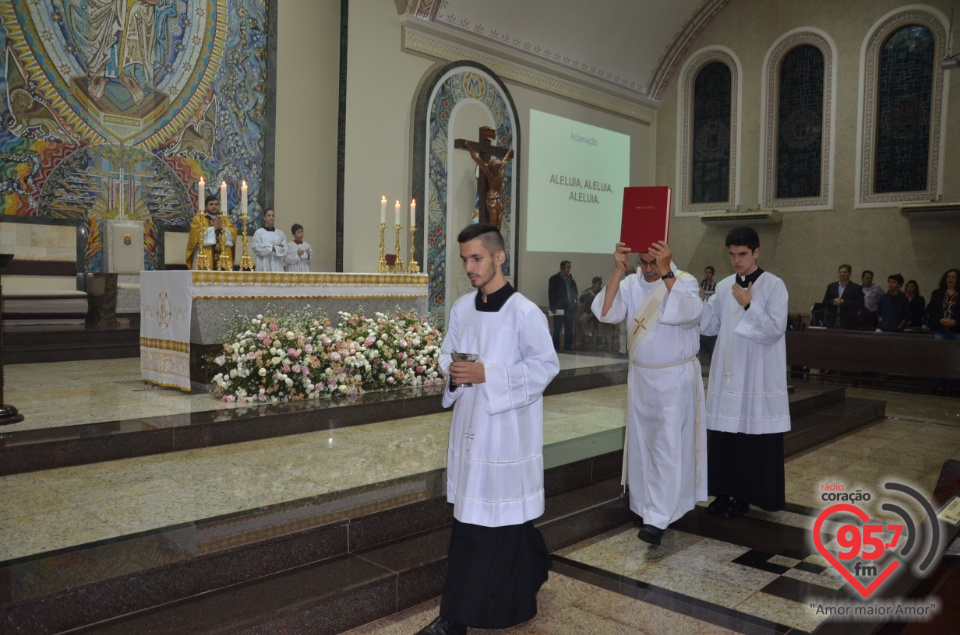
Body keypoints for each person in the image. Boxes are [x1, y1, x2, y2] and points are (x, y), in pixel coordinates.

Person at [419, 224, 559, 635]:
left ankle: (458, 618)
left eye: (476, 258)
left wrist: (488, 375)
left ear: (500, 257)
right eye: (464, 259)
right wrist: (456, 372)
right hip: (470, 427)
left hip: (507, 432)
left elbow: (546, 367)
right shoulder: (462, 308)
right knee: (473, 522)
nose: (469, 267)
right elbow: (447, 355)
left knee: (500, 524)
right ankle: (475, 607)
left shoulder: (525, 313)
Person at [593, 242, 706, 546]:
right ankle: (644, 506)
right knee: (643, 443)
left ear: (667, 257)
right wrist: (618, 269)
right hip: (641, 377)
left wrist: (667, 272)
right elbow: (605, 312)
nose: (647, 269)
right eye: (642, 263)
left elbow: (690, 313)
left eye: (653, 263)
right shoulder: (630, 283)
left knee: (667, 445)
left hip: (673, 377)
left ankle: (659, 517)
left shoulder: (684, 281)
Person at [700, 227, 790, 519]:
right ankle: (724, 492)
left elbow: (775, 330)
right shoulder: (725, 286)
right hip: (728, 371)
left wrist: (749, 304)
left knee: (751, 439)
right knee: (726, 437)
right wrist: (700, 302)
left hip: (756, 376)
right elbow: (709, 326)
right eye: (732, 255)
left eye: (742, 254)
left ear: (756, 252)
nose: (736, 260)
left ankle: (745, 495)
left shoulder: (774, 286)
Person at [185, 194, 237, 270]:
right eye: (211, 204)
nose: (214, 206)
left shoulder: (224, 219)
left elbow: (232, 234)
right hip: (206, 255)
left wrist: (223, 229)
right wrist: (213, 229)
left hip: (224, 256)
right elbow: (196, 237)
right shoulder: (198, 219)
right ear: (206, 207)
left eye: (216, 204)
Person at [548, 260, 578, 352]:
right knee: (557, 329)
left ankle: (568, 347)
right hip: (558, 307)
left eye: (570, 267)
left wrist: (575, 306)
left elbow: (575, 293)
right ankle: (556, 347)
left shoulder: (571, 280)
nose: (569, 269)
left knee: (569, 329)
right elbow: (551, 294)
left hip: (570, 308)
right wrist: (552, 307)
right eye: (567, 267)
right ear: (562, 268)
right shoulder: (554, 279)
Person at [822, 264, 863, 329]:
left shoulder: (856, 287)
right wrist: (833, 302)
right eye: (840, 272)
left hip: (849, 320)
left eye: (845, 272)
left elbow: (860, 304)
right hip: (832, 319)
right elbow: (825, 302)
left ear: (850, 274)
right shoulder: (831, 286)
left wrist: (845, 302)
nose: (842, 274)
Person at [927, 268, 960, 340]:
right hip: (940, 329)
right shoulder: (937, 293)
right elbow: (931, 310)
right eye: (948, 277)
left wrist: (955, 322)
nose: (950, 278)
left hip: (957, 330)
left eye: (953, 277)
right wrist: (939, 320)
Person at [578, 276, 603, 346]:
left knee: (602, 322)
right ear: (593, 284)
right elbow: (581, 300)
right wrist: (583, 295)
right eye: (597, 283)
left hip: (598, 312)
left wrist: (593, 295)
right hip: (589, 311)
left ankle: (600, 338)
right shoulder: (589, 290)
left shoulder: (601, 291)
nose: (599, 285)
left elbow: (602, 300)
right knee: (582, 319)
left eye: (599, 284)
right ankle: (589, 334)